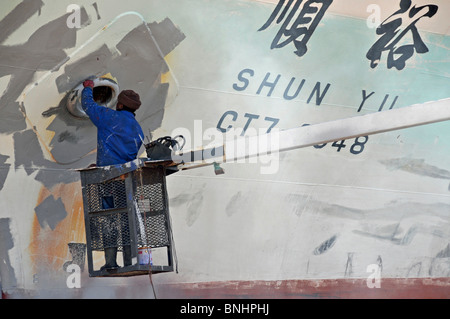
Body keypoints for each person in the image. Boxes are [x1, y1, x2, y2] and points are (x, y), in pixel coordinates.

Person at [81, 79, 144, 270]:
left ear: (120, 104)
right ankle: (129, 261)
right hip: (127, 180)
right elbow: (123, 152)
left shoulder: (110, 118)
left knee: (109, 217)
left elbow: (88, 106)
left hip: (107, 178)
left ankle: (109, 262)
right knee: (125, 218)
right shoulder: (138, 129)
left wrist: (88, 88)